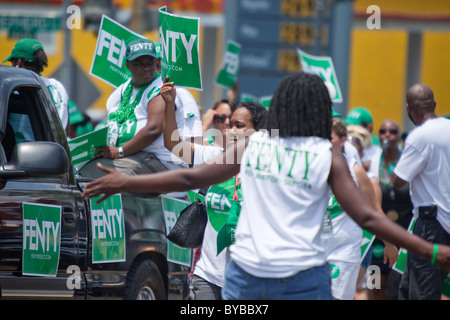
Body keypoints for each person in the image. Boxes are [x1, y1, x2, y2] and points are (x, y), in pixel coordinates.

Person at [82, 72, 450, 300]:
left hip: (246, 276)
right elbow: (370, 218)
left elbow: (189, 177)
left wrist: (123, 181)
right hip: (303, 279)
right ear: (319, 112)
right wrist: (431, 251)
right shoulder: (328, 156)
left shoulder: (250, 147)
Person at [160, 77, 268, 299]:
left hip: (247, 280)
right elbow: (174, 146)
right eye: (230, 126)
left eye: (240, 126)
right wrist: (169, 104)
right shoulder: (215, 157)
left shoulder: (269, 171)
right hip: (207, 275)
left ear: (259, 133)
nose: (231, 132)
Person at [79, 38, 182, 178]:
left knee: (105, 173)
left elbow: (153, 129)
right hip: (130, 156)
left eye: (150, 63)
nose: (146, 68)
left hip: (155, 160)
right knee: (81, 168)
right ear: (128, 66)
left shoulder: (160, 89)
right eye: (139, 64)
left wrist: (120, 151)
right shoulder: (123, 89)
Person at [324, 117, 397, 300]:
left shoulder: (355, 171)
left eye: (329, 138)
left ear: (342, 141)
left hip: (344, 248)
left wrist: (388, 243)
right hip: (315, 247)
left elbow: (375, 211)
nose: (324, 142)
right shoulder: (312, 166)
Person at [393, 84, 450, 300]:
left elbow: (398, 180)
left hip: (430, 226)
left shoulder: (420, 136)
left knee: (422, 294)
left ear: (409, 109)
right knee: (408, 289)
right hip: (444, 222)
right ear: (434, 105)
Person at [368, 119, 413, 300]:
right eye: (383, 131)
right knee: (375, 287)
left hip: (404, 235)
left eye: (393, 131)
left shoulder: (409, 163)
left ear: (398, 137)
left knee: (397, 290)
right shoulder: (370, 163)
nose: (387, 134)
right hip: (377, 238)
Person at [3, 38, 69, 131]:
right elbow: (66, 128)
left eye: (12, 62)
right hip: (58, 145)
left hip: (22, 145)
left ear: (19, 62)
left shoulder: (13, 88)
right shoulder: (58, 87)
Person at [154, 43, 203, 146]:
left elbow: (194, 141)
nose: (157, 71)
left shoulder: (182, 95)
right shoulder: (138, 93)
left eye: (162, 67)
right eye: (152, 65)